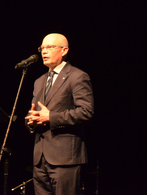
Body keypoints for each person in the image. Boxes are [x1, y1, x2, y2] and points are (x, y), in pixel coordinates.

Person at [25, 33, 94, 195]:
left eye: (49, 47)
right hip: (40, 158)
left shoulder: (78, 76)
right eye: (42, 48)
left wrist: (51, 117)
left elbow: (86, 111)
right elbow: (34, 112)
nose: (44, 51)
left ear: (64, 50)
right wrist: (31, 122)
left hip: (65, 159)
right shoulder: (39, 81)